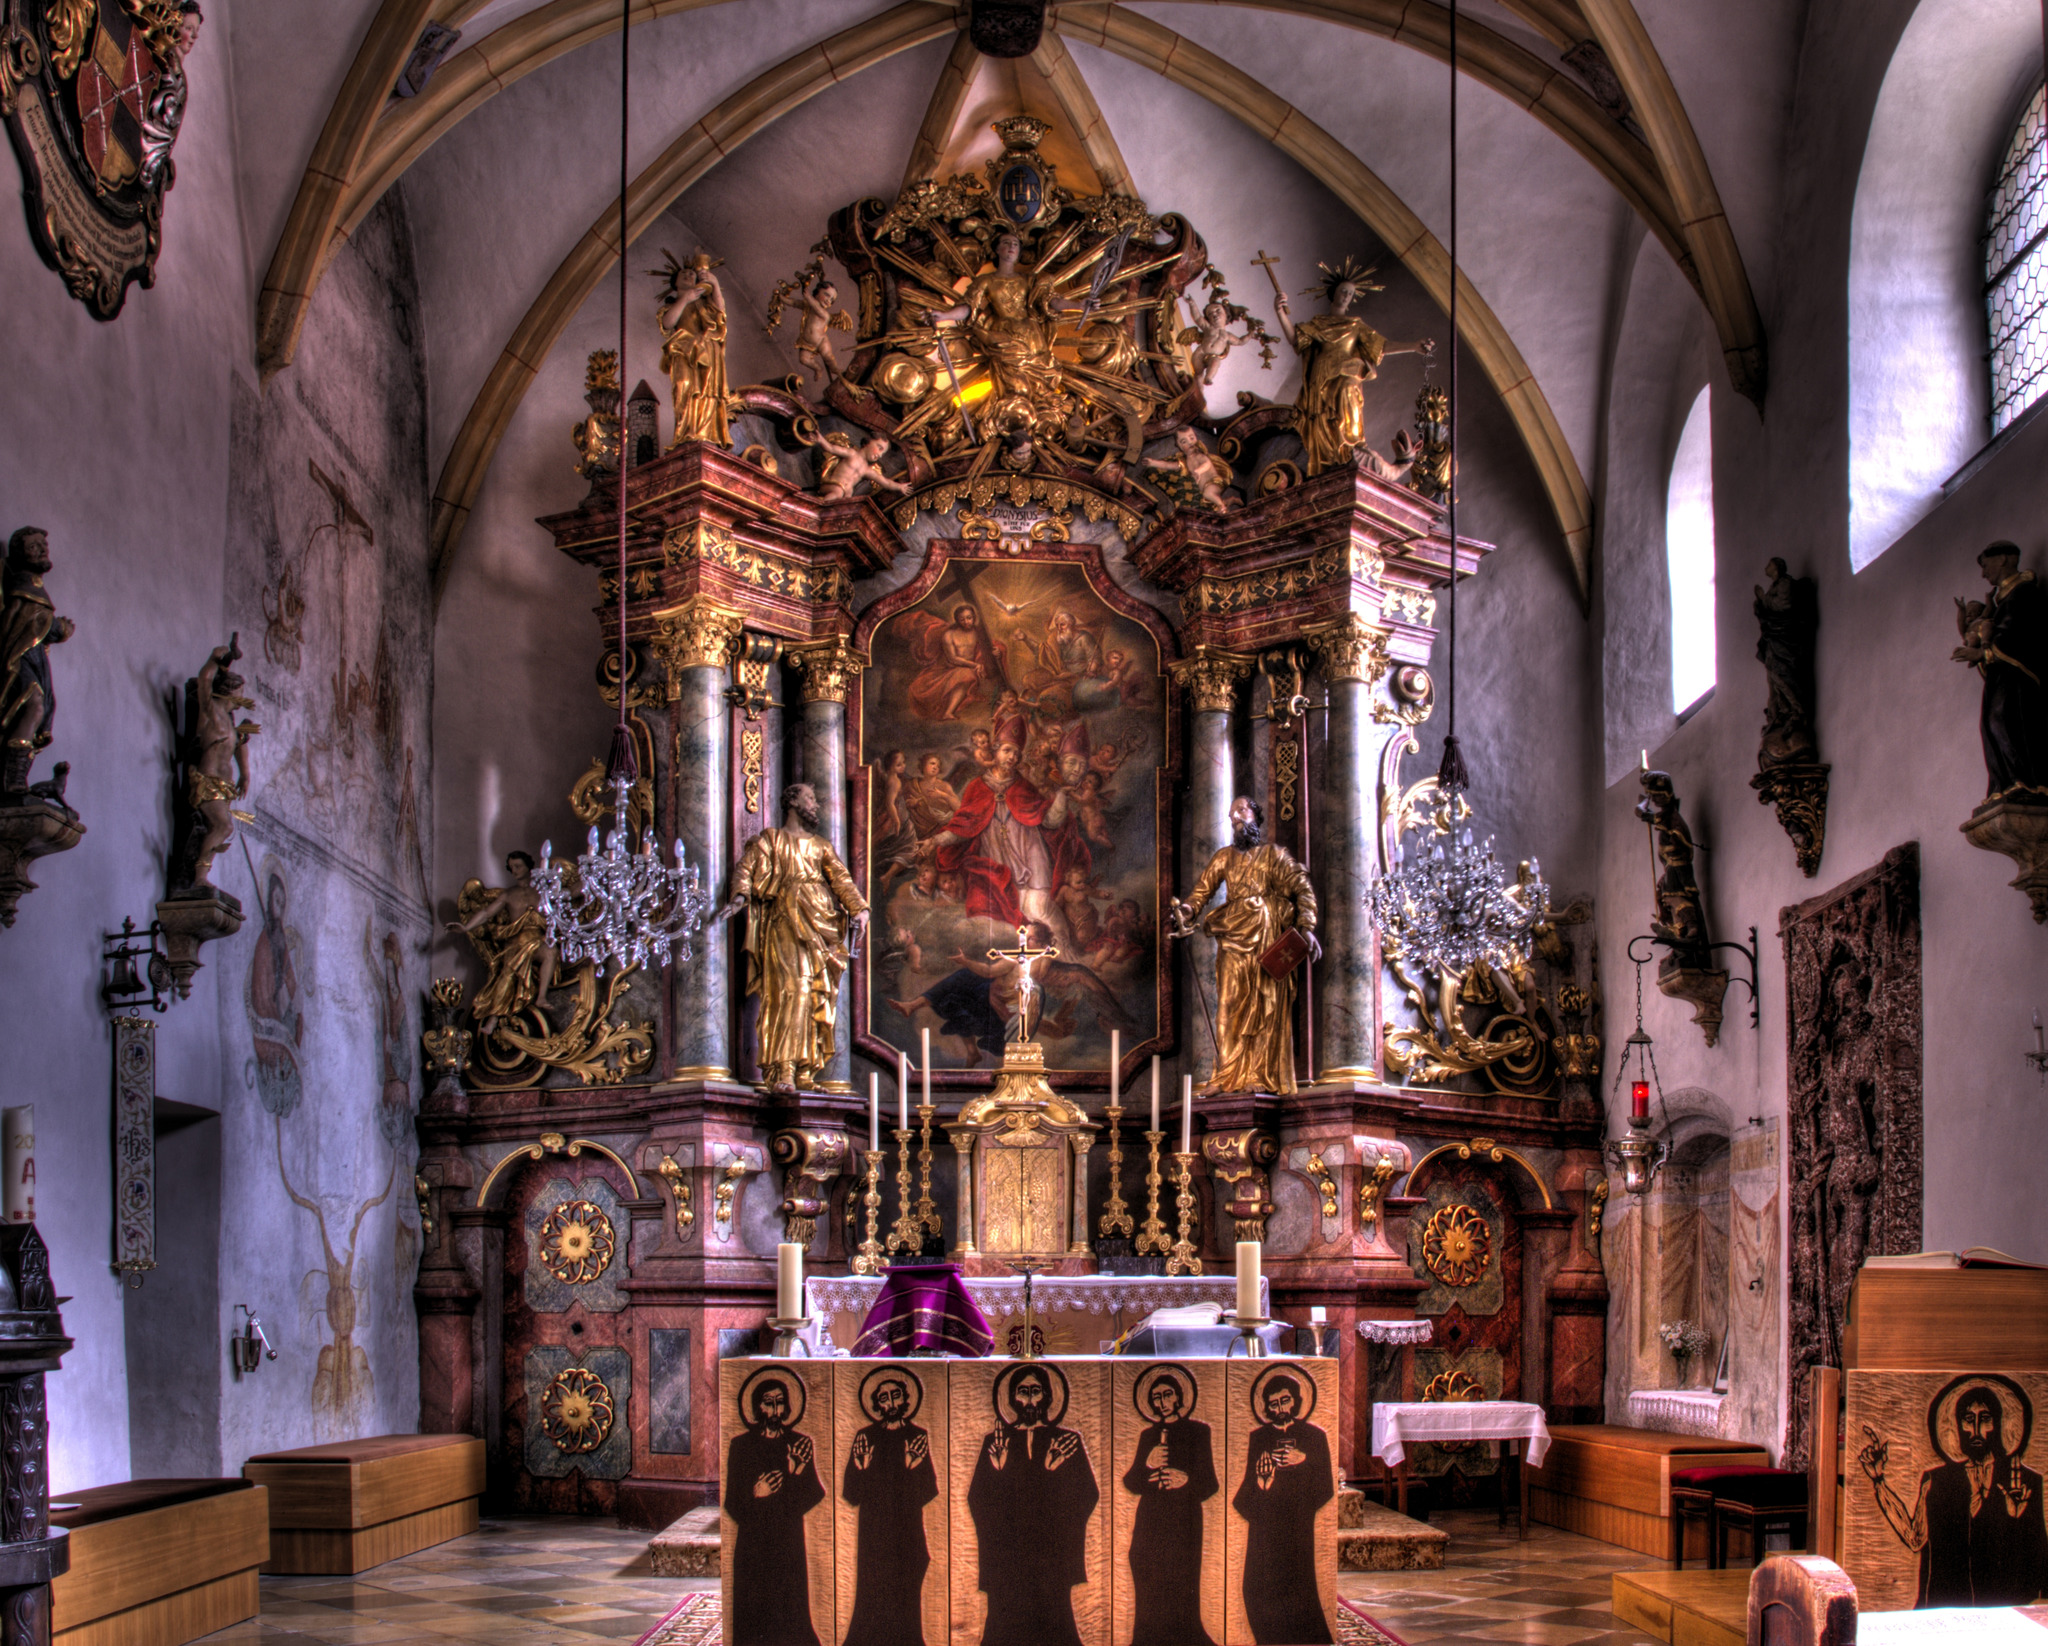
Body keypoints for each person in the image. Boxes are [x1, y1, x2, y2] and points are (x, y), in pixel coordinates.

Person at [719, 783, 869, 1095]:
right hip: (786, 919)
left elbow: (841, 878)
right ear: (792, 801)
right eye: (810, 798)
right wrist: (739, 896)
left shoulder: (821, 845)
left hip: (820, 921)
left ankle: (805, 1070)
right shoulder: (771, 840)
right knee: (791, 990)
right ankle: (783, 1067)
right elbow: (746, 869)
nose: (815, 804)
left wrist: (860, 908)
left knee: (815, 991)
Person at [1173, 796, 1320, 1095]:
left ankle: (1259, 1074)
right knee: (1227, 1005)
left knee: (1264, 1003)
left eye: (1241, 811)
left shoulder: (1273, 854)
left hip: (1266, 937)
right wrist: (1187, 910)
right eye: (1231, 815)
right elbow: (1202, 891)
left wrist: (1306, 927)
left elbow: (1300, 886)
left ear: (1255, 814)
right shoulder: (1224, 857)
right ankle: (1226, 1075)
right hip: (1233, 936)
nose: (1235, 818)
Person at [1859, 1384, 2048, 1607]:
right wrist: (1878, 1480)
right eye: (1968, 1419)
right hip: (1946, 1609)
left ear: (1997, 1424)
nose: (1975, 1429)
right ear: (1958, 1426)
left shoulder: (2023, 1481)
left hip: (2003, 1612)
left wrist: (2015, 1519)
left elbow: (2038, 1554)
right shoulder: (1937, 1480)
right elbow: (1915, 1538)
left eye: (1985, 1418)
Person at [966, 1365, 1099, 1646]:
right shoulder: (996, 1442)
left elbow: (1087, 1496)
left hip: (1050, 1554)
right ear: (1012, 1399)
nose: (1029, 1400)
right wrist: (999, 1471)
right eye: (1022, 1392)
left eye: (1035, 1391)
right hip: (1008, 1557)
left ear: (1048, 1397)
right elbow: (977, 1500)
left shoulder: (1066, 1441)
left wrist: (1054, 1471)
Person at [1271, 258, 1434, 475]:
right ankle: (1328, 456)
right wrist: (1280, 312)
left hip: (1348, 372)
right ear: (1334, 293)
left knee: (1348, 391)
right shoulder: (1319, 323)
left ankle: (1350, 444)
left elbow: (1382, 345)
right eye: (1343, 291)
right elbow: (1295, 339)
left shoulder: (1355, 325)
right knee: (1322, 418)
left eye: (1350, 293)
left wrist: (1413, 346)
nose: (1346, 295)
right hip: (1321, 377)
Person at [1232, 1372, 1334, 1643]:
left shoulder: (1314, 1437)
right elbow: (1242, 1500)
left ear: (1297, 1401)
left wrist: (1304, 1462)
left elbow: (1325, 1490)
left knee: (1299, 1592)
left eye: (1285, 1401)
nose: (1279, 1409)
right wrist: (1262, 1482)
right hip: (1264, 1530)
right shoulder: (1259, 1437)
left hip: (1297, 1528)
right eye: (1273, 1404)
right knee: (1255, 1589)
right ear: (1266, 1407)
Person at [725, 1375, 825, 1646]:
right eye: (769, 1403)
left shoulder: (800, 1443)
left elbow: (815, 1494)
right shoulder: (741, 1446)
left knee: (789, 1606)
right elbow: (732, 1504)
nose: (775, 1410)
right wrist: (756, 1494)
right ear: (758, 1408)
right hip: (752, 1543)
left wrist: (796, 1472)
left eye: (780, 1403)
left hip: (787, 1541)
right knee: (754, 1607)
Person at [842, 1374, 939, 1646]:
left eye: (896, 1395)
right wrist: (860, 1466)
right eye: (884, 1398)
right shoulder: (866, 1437)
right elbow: (852, 1494)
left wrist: (912, 1466)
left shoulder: (916, 1436)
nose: (891, 1402)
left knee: (906, 1593)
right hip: (874, 1534)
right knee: (873, 1594)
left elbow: (928, 1492)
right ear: (877, 1405)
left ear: (905, 1400)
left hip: (908, 1533)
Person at [1123, 1373, 1218, 1646]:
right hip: (1150, 1518)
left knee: (1179, 1576)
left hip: (1183, 1518)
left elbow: (1209, 1484)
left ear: (1178, 1397)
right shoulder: (1148, 1435)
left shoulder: (1199, 1432)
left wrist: (1186, 1480)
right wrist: (1147, 1464)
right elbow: (1132, 1482)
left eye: (1167, 1395)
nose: (1161, 1401)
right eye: (1156, 1397)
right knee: (1146, 1570)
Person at [1952, 541, 2048, 799]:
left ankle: (2026, 782)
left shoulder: (2024, 593)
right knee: (1991, 725)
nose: (1983, 575)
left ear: (2003, 559)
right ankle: (2005, 784)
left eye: (1985, 566)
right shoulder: (2002, 599)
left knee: (2006, 721)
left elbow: (2020, 635)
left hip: (2018, 678)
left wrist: (1984, 651)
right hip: (2001, 675)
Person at [657, 251, 730, 446]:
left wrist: (714, 284)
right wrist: (685, 298)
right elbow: (668, 322)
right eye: (684, 274)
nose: (689, 275)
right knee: (684, 387)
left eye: (692, 273)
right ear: (675, 283)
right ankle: (686, 431)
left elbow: (720, 314)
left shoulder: (705, 305)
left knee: (707, 391)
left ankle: (706, 433)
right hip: (683, 350)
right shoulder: (674, 305)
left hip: (707, 350)